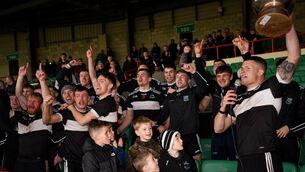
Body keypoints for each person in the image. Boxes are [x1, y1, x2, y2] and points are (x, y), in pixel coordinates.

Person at [214, 25, 301, 172]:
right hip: (242, 159)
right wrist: (223, 107)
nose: (242, 71)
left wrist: (287, 25)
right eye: (241, 69)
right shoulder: (239, 98)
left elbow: (294, 56)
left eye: (247, 68)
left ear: (261, 72)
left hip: (264, 156)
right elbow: (218, 128)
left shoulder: (272, 87)